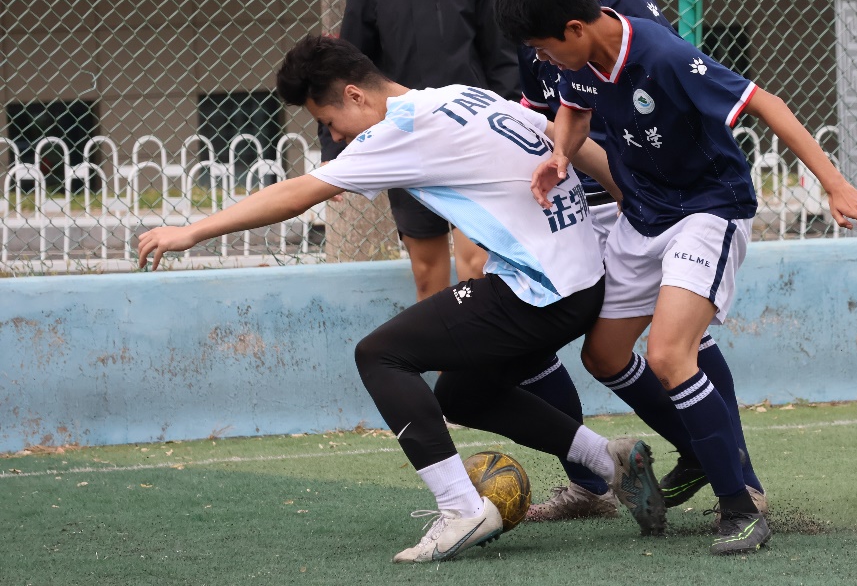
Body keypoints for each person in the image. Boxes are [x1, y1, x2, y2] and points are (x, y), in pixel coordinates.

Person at [137, 35, 665, 562]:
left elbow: (296, 194)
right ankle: (609, 461)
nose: (333, 135)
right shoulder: (460, 95)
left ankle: (461, 510)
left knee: (380, 354)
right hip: (581, 280)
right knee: (461, 394)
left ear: (354, 94)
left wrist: (193, 231)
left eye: (328, 121)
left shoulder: (399, 130)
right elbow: (562, 134)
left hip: (540, 290)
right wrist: (627, 195)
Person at [495, 0, 857, 555]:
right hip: (643, 215)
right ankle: (701, 451)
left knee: (670, 355)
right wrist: (561, 155)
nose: (542, 60)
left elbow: (764, 102)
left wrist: (835, 184)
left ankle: (740, 506)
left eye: (544, 48)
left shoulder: (662, 54)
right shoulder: (578, 59)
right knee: (603, 356)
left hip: (707, 210)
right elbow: (573, 107)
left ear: (574, 28)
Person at [485, 0, 768, 524]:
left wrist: (627, 186)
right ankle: (614, 474)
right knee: (593, 343)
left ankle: (735, 478)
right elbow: (550, 108)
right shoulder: (530, 17)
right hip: (580, 191)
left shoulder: (617, 2)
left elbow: (666, 96)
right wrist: (550, 163)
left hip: (647, 194)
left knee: (677, 340)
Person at [325, 0, 520, 302]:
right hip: (407, 138)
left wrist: (510, 124)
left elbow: (503, 57)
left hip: (473, 139)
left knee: (478, 266)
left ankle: (478, 352)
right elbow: (350, 70)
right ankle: (439, 350)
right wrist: (334, 150)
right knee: (428, 276)